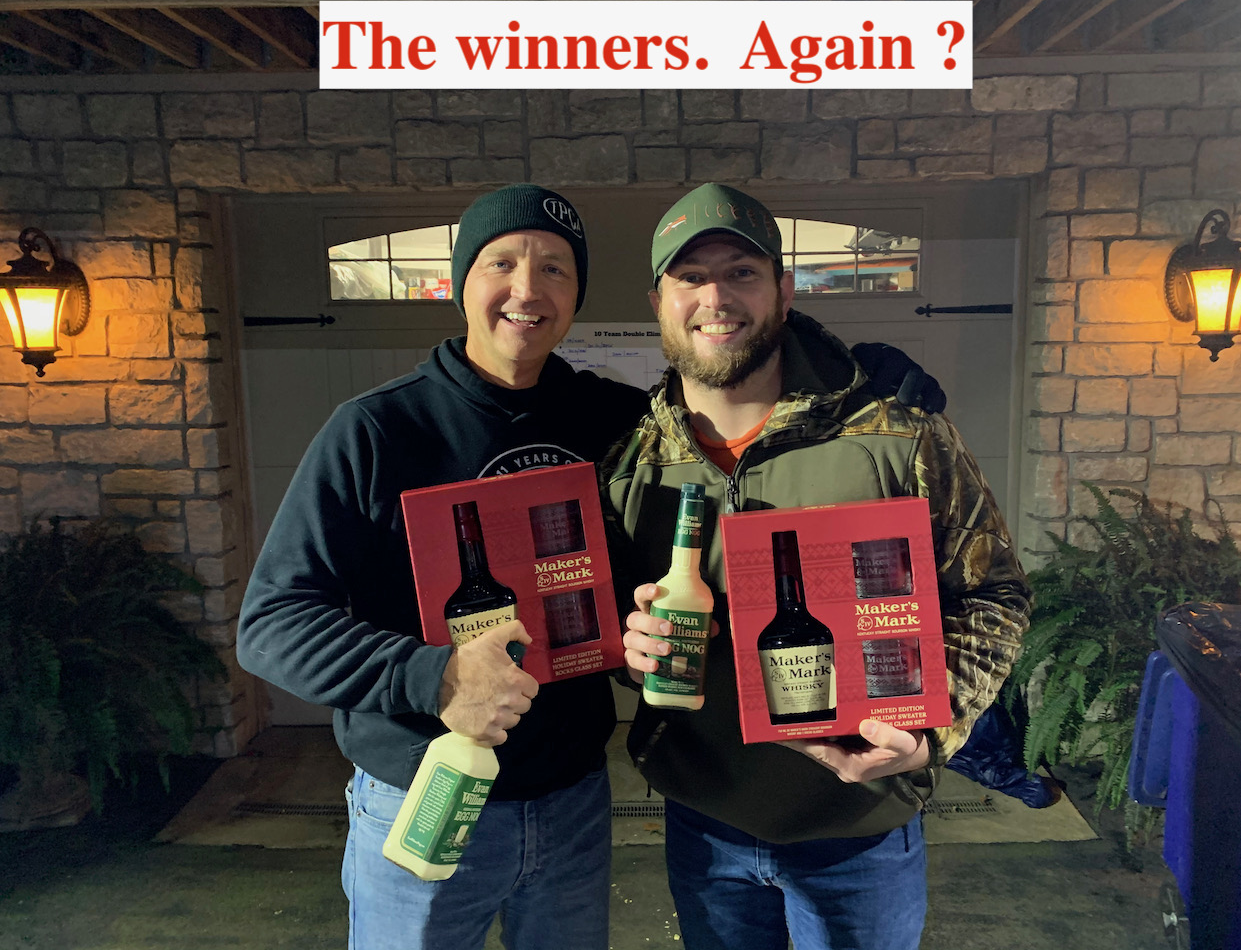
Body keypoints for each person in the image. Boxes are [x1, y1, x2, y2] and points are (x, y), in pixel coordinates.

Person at [237, 182, 943, 950]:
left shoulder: (612, 420)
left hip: (571, 802)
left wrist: (855, 372)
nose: (527, 290)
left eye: (555, 269)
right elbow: (272, 625)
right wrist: (433, 676)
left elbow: (730, 375)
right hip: (427, 792)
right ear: (461, 282)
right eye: (501, 263)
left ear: (575, 296)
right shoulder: (376, 430)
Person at [602, 183, 1032, 950]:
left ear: (784, 289)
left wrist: (933, 729)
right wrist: (629, 651)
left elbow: (991, 593)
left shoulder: (896, 433)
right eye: (690, 277)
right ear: (659, 301)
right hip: (704, 825)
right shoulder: (634, 461)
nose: (715, 298)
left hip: (861, 830)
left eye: (740, 273)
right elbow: (615, 624)